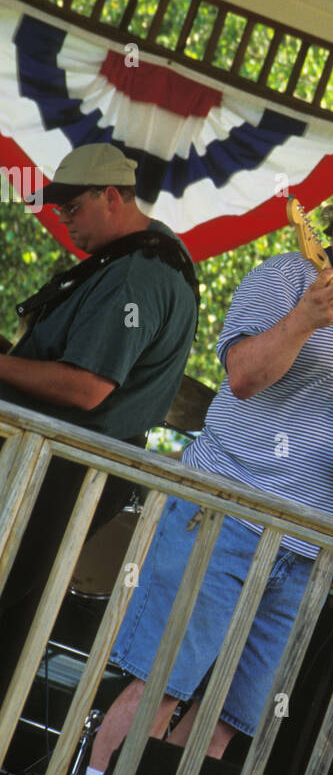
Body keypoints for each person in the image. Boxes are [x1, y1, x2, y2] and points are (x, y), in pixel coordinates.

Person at [92, 165, 333, 775]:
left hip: (310, 555)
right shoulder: (286, 277)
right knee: (162, 687)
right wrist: (303, 321)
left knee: (228, 721)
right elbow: (241, 377)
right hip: (225, 515)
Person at [0, 142, 199, 704]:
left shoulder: (137, 275)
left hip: (64, 469)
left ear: (112, 196)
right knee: (15, 604)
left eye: (73, 207)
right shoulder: (149, 260)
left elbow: (87, 388)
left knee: (9, 601)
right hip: (68, 467)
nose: (63, 219)